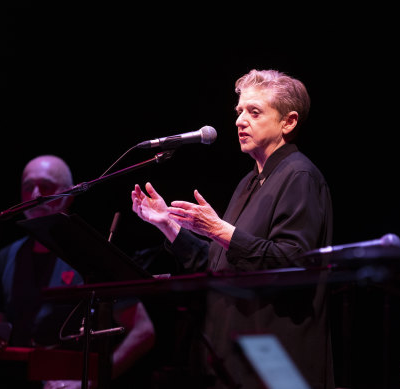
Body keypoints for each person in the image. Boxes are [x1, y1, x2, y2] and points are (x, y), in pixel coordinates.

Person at [131, 69, 334, 389]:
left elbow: (292, 263)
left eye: (254, 112)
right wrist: (168, 225)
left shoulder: (299, 176)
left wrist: (219, 229)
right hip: (234, 359)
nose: (240, 121)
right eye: (239, 112)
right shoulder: (248, 182)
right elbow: (220, 264)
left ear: (288, 122)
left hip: (276, 359)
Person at [0, 155, 156, 389]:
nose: (36, 194)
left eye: (46, 186)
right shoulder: (5, 257)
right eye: (28, 187)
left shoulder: (90, 253)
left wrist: (91, 381)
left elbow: (143, 331)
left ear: (69, 195)